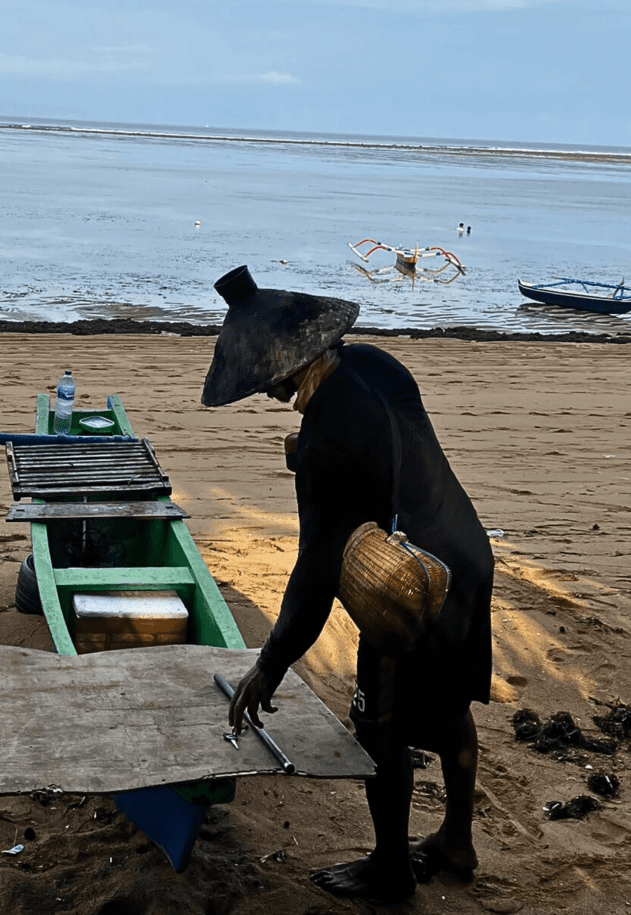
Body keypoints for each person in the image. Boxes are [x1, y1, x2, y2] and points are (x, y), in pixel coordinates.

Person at [201, 265, 493, 903]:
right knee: (450, 710)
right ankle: (456, 841)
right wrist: (308, 451)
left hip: (412, 587)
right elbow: (381, 445)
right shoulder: (375, 364)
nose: (269, 394)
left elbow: (318, 570)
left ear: (292, 364)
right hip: (466, 556)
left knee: (381, 726)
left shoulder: (325, 442)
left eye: (270, 381)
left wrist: (270, 664)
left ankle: (391, 870)